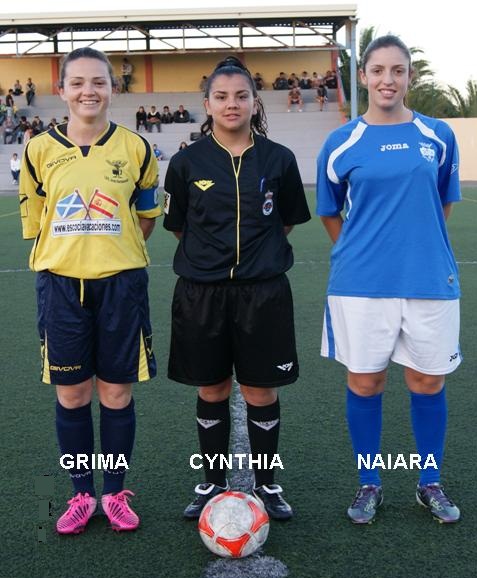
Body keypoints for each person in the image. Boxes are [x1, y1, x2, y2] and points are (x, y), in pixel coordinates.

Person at [316, 35, 462, 525]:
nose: (388, 80)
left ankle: (429, 481)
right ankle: (369, 483)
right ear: (363, 76)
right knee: (366, 382)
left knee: (427, 380)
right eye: (378, 70)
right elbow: (330, 212)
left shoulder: (437, 135)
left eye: (398, 70)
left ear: (409, 77)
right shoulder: (341, 142)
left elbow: (441, 204)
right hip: (360, 284)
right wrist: (359, 251)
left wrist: (419, 246)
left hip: (428, 279)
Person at [19, 46, 161, 536]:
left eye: (98, 82)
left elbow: (146, 217)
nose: (88, 91)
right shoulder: (38, 150)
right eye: (78, 82)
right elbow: (37, 222)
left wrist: (111, 252)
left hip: (122, 284)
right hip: (61, 286)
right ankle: (81, 494)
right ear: (61, 90)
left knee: (116, 392)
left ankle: (115, 493)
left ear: (112, 88)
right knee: (73, 392)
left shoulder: (136, 148)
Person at [163, 56, 311, 521]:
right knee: (212, 389)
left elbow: (285, 221)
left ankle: (266, 483)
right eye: (222, 96)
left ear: (253, 102)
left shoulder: (279, 159)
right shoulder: (186, 163)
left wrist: (254, 259)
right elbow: (179, 226)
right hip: (201, 294)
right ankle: (212, 481)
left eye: (241, 96)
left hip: (263, 294)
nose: (232, 104)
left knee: (261, 392)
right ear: (207, 103)